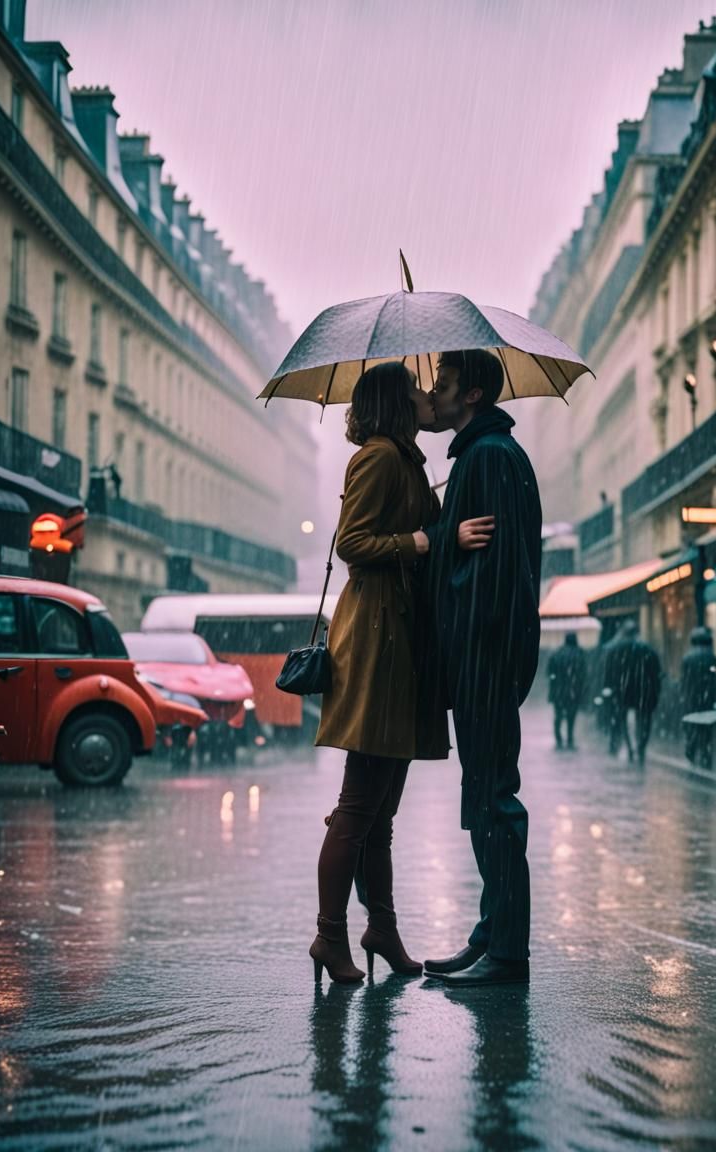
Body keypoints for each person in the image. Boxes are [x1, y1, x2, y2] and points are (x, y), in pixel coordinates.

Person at [310, 361, 449, 984]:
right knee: (358, 804)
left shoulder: (406, 459)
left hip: (399, 635)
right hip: (375, 639)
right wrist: (414, 543)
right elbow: (353, 542)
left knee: (381, 809)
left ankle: (382, 927)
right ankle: (329, 936)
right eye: (417, 388)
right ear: (396, 400)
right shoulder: (377, 457)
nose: (427, 394)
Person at [421, 349, 542, 987]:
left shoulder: (489, 458)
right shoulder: (483, 454)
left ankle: (507, 951)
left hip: (485, 659)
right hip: (484, 657)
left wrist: (437, 541)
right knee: (485, 798)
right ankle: (492, 931)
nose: (432, 394)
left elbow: (490, 576)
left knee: (494, 801)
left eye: (440, 382)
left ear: (470, 393)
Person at [603, 620, 662, 767]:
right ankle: (641, 747)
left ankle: (630, 748)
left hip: (622, 689)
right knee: (644, 720)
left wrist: (609, 687)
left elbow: (608, 672)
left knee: (622, 719)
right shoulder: (647, 649)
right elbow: (656, 672)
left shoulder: (614, 649)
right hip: (643, 689)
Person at [680, 626, 716, 770]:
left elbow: (684, 681)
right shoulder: (711, 657)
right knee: (706, 728)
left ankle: (691, 749)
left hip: (691, 698)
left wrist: (684, 696)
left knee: (693, 726)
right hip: (708, 699)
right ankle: (705, 753)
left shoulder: (687, 658)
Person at [547, 633, 586, 750]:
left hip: (558, 691)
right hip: (573, 691)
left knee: (558, 716)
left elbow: (549, 673)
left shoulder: (556, 654)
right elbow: (583, 675)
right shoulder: (579, 654)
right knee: (571, 716)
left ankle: (558, 739)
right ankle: (569, 739)